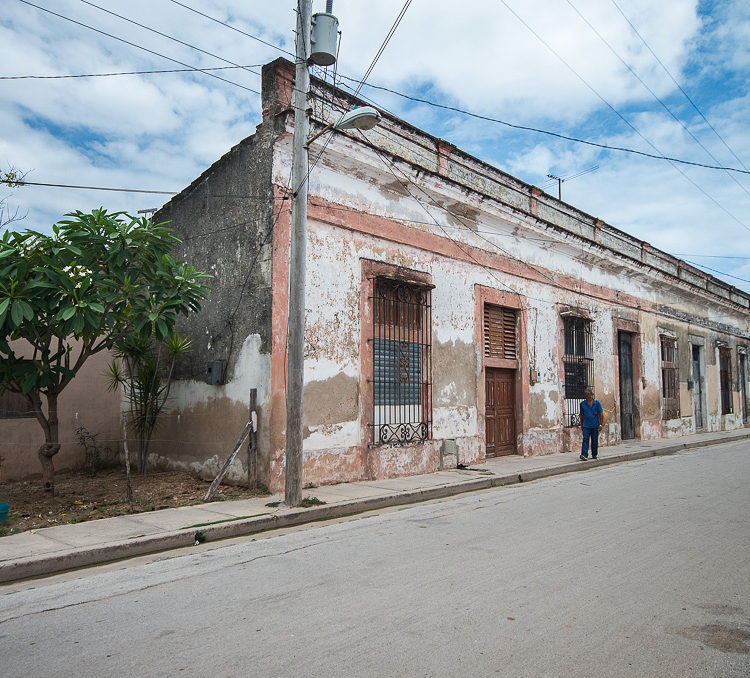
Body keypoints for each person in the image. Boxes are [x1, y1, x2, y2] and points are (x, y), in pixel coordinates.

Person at [579, 387, 603, 460]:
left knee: (594, 440)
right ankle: (584, 454)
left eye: (588, 394)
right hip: (586, 425)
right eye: (585, 394)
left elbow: (601, 414)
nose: (587, 396)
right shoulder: (582, 404)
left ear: (592, 395)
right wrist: (582, 424)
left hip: (595, 424)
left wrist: (600, 424)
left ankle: (594, 454)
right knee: (585, 439)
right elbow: (582, 415)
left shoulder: (596, 403)